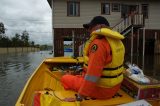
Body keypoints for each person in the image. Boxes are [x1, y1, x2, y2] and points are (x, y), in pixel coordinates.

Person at [61, 16, 125, 102]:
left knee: (65, 78)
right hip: (115, 87)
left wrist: (79, 97)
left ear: (101, 26)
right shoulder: (117, 41)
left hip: (102, 90)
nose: (88, 30)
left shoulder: (98, 43)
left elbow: (92, 76)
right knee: (77, 76)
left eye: (91, 27)